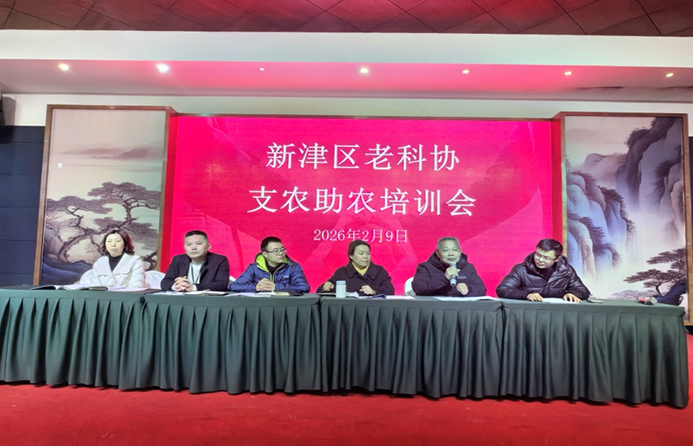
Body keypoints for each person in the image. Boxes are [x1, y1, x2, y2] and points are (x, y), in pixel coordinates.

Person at [495, 238, 590, 302]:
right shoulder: (521, 269)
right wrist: (526, 295)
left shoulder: (566, 270)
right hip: (530, 311)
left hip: (557, 312)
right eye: (538, 255)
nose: (540, 260)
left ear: (557, 259)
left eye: (546, 258)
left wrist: (573, 293)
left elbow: (583, 290)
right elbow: (502, 289)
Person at [230, 236, 309, 293]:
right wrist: (256, 287)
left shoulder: (293, 267)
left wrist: (276, 287)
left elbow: (304, 287)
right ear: (265, 254)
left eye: (282, 250)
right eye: (276, 251)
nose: (281, 253)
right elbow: (233, 286)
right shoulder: (253, 268)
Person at [412, 236, 486, 297]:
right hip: (435, 307)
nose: (451, 254)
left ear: (460, 252)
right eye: (445, 250)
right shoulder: (426, 267)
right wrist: (444, 277)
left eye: (454, 250)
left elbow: (481, 289)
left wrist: (468, 290)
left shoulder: (468, 267)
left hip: (461, 307)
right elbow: (418, 289)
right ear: (438, 253)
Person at [316, 240, 394, 296]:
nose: (365, 256)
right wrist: (325, 287)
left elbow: (390, 290)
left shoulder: (379, 271)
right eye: (361, 253)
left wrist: (374, 291)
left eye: (368, 253)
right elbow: (320, 291)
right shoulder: (341, 272)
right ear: (351, 256)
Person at [161, 230, 230, 292]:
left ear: (208, 246)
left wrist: (193, 287)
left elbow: (221, 284)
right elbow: (165, 282)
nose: (193, 248)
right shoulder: (178, 259)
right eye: (189, 244)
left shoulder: (219, 260)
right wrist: (176, 286)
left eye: (198, 243)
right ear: (184, 247)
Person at [79, 229, 146, 287]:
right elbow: (94, 287)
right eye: (109, 241)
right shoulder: (100, 262)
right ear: (105, 244)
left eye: (118, 241)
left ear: (125, 244)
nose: (113, 244)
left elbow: (137, 286)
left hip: (127, 297)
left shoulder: (135, 261)